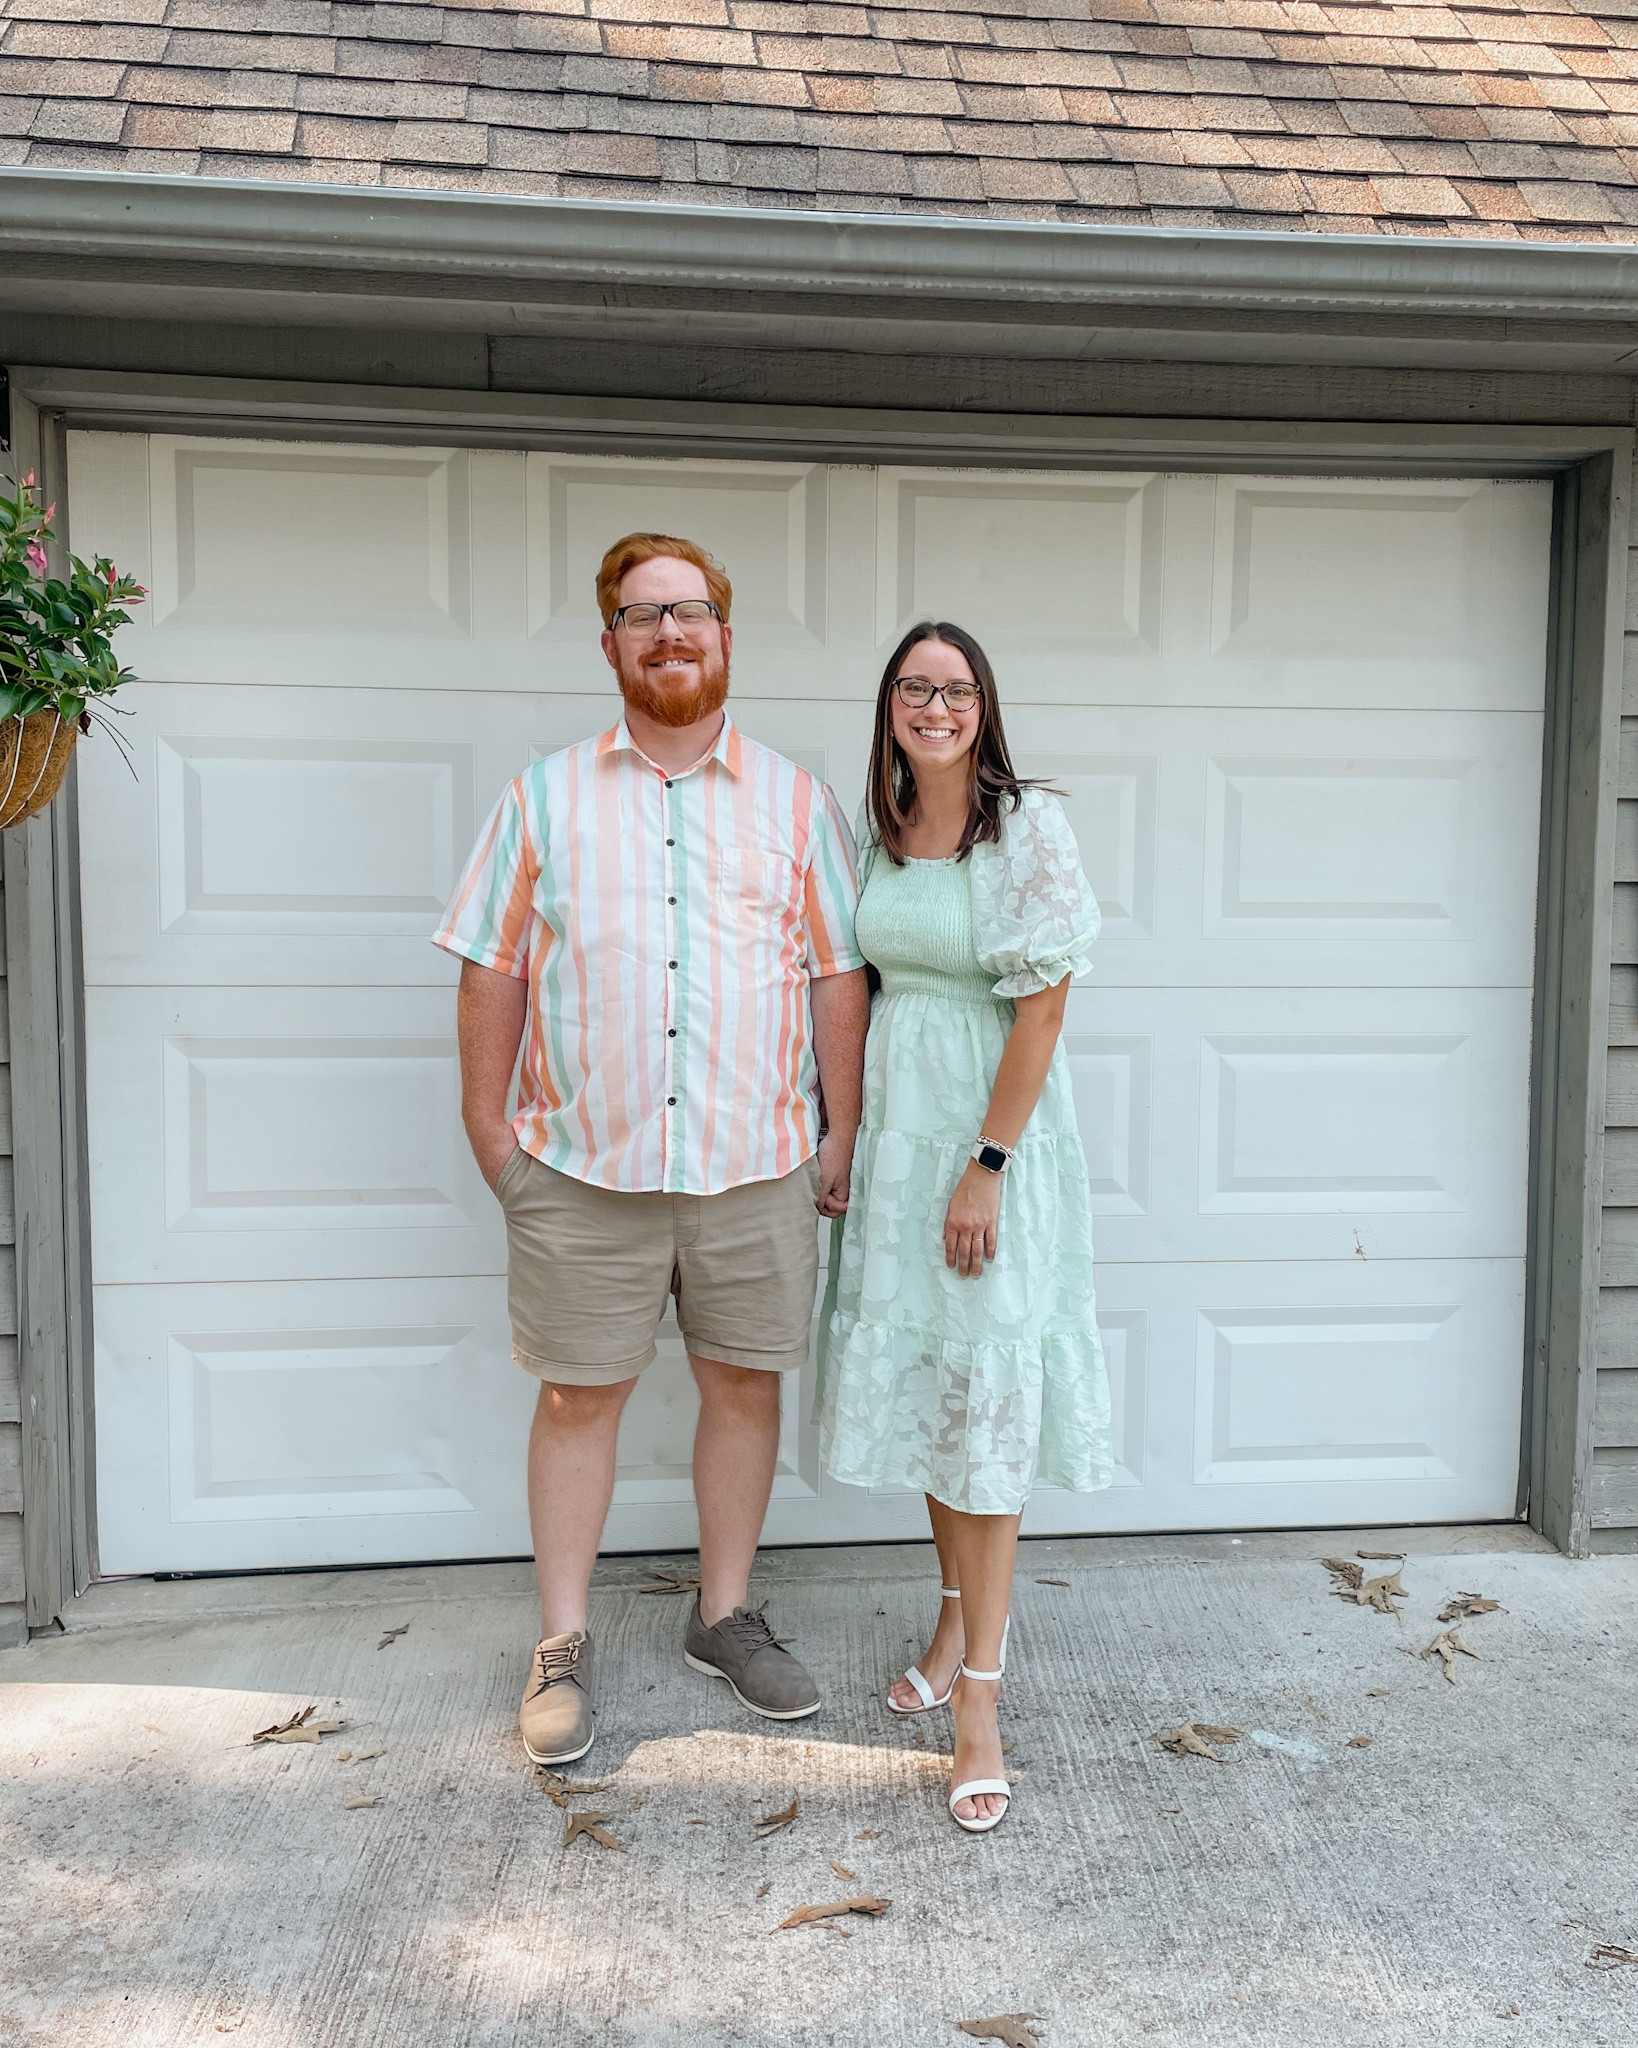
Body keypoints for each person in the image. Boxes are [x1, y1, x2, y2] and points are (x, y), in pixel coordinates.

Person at [436, 532, 869, 1767]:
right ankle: (562, 1641)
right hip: (582, 1167)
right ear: (612, 642)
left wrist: (839, 1132)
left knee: (744, 1382)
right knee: (578, 1397)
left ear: (728, 635)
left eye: (689, 612)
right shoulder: (544, 795)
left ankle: (723, 1613)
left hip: (758, 1159)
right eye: (642, 614)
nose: (669, 633)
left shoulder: (796, 800)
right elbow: (492, 965)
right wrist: (491, 1134)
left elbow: (838, 976)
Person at [816, 619, 1112, 1834]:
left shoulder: (1026, 827)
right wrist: (846, 1133)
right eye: (910, 687)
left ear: (983, 705)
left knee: (984, 1412)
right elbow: (858, 986)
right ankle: (950, 1617)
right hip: (900, 1148)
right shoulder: (882, 831)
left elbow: (1042, 1010)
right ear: (888, 704)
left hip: (988, 1146)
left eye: (954, 688)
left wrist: (986, 1163)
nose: (932, 705)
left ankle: (980, 1703)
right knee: (939, 1388)